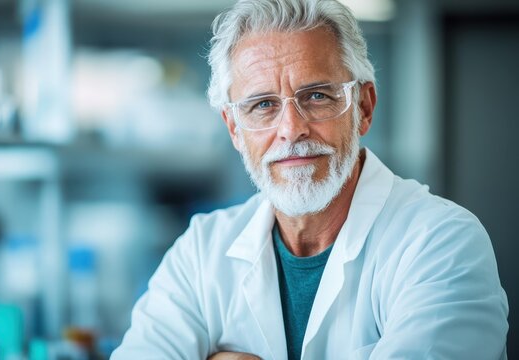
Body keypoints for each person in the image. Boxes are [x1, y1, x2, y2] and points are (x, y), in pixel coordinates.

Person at [111, 0, 509, 358]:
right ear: (234, 128)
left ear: (364, 108)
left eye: (317, 95)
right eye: (263, 105)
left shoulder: (441, 244)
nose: (291, 129)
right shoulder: (201, 253)